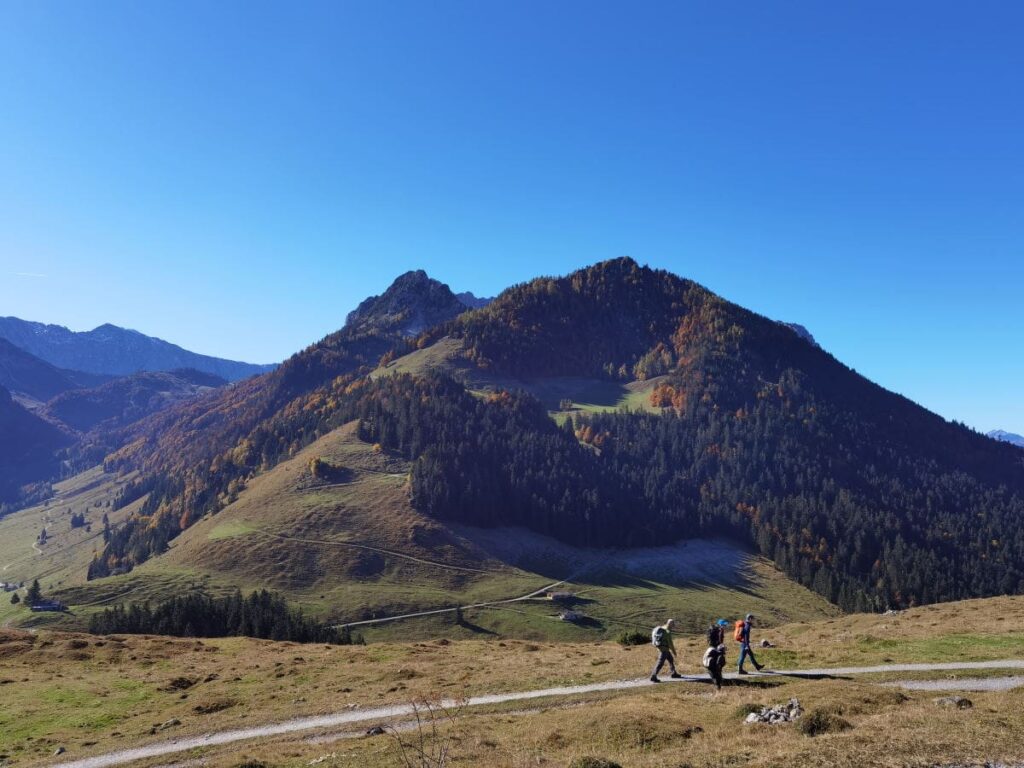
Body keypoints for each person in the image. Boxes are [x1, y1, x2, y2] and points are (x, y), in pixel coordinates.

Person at [650, 618, 682, 682]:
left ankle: (673, 673)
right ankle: (653, 676)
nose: (673, 626)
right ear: (670, 624)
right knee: (660, 663)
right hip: (664, 649)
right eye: (673, 625)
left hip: (662, 648)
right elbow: (670, 644)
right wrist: (674, 652)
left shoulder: (663, 627)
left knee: (670, 659)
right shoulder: (667, 631)